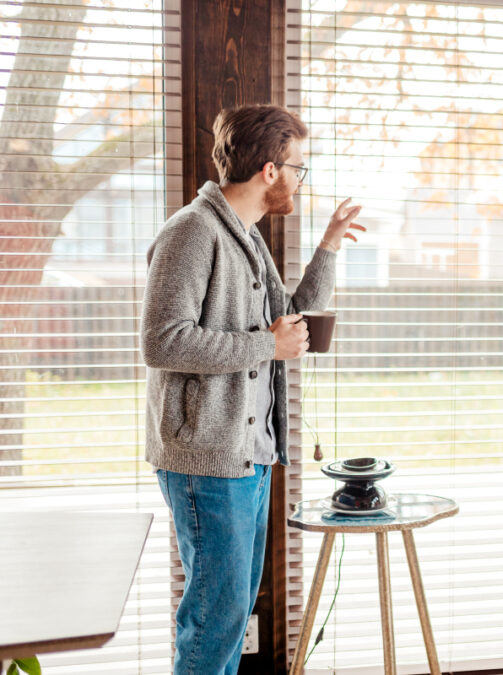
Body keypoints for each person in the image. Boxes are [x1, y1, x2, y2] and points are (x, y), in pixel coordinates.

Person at [140, 103, 363, 675]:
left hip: (248, 458)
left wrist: (329, 247)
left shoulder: (246, 236)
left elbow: (289, 318)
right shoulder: (192, 232)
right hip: (206, 461)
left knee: (230, 612)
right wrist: (266, 345)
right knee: (216, 617)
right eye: (298, 168)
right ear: (270, 169)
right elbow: (163, 343)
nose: (299, 180)